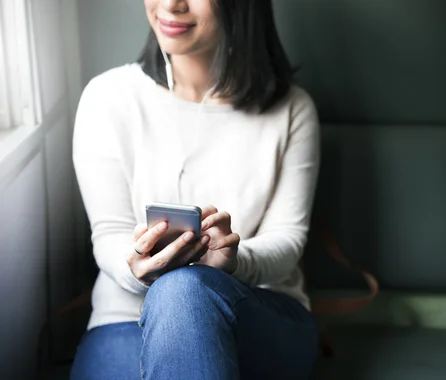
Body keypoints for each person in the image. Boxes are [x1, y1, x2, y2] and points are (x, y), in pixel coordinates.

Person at [70, 0, 320, 379]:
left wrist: (232, 264)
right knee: (176, 293)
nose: (171, 4)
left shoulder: (291, 109)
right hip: (124, 318)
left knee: (183, 290)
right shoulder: (107, 98)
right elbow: (108, 235)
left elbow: (288, 241)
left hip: (259, 315)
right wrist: (139, 267)